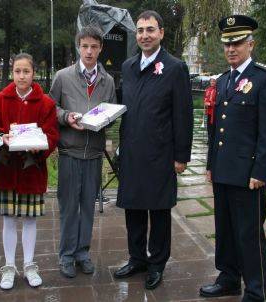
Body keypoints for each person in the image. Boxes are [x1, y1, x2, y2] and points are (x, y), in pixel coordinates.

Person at [199, 15, 266, 302]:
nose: (231, 49)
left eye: (236, 43)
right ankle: (229, 278)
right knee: (224, 230)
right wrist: (211, 164)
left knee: (249, 235)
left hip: (248, 174)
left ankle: (256, 290)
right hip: (223, 169)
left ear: (251, 43)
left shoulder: (265, 78)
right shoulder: (223, 80)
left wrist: (261, 170)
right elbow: (216, 129)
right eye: (226, 44)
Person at [114, 10, 193, 290]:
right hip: (133, 152)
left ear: (161, 32)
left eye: (150, 30)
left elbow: (183, 115)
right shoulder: (128, 66)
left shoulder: (174, 67)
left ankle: (157, 263)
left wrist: (181, 156)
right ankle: (137, 258)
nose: (145, 35)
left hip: (161, 154)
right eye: (140, 30)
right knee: (133, 209)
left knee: (159, 212)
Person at [49, 26, 116, 278]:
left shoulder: (107, 81)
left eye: (94, 47)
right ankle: (66, 255)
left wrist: (106, 119)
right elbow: (51, 108)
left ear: (100, 49)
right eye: (85, 46)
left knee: (88, 206)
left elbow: (110, 112)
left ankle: (82, 253)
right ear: (79, 47)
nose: (89, 51)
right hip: (69, 152)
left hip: (94, 154)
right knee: (68, 208)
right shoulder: (63, 77)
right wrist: (67, 117)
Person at [0, 53, 58, 289]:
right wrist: (1, 135)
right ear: (12, 73)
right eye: (17, 71)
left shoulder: (46, 103)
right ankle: (9, 266)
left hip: (32, 170)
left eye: (26, 71)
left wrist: (38, 147)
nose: (21, 76)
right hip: (6, 169)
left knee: (29, 220)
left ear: (34, 73)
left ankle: (29, 265)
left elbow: (51, 135)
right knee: (9, 220)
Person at [203, 75, 218, 143]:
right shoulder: (208, 89)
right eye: (211, 81)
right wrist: (205, 103)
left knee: (213, 126)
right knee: (208, 126)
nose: (212, 82)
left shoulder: (218, 90)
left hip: (214, 111)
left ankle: (212, 139)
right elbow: (206, 98)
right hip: (208, 111)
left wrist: (211, 104)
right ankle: (209, 138)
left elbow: (218, 101)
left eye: (214, 81)